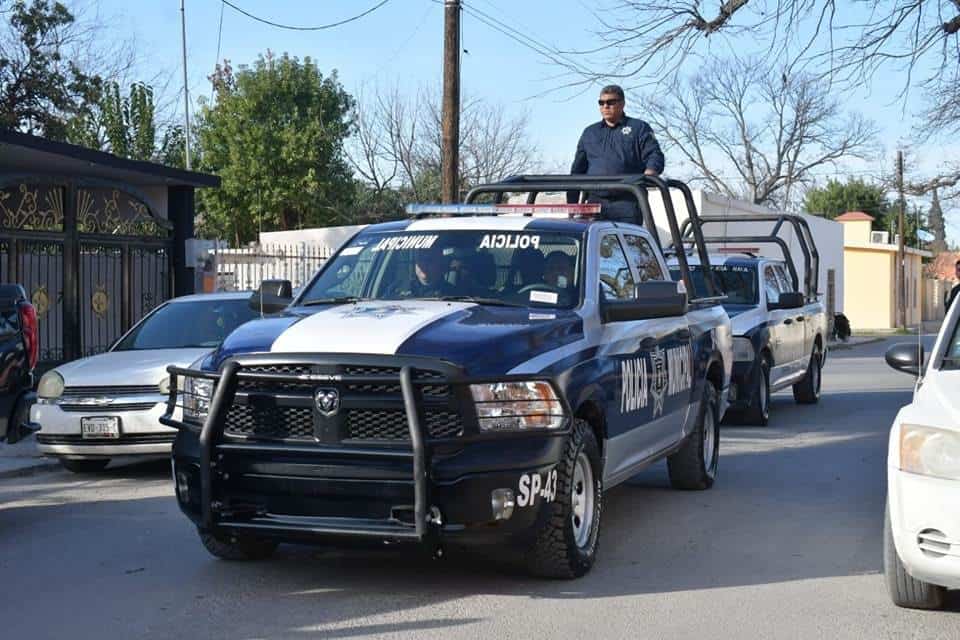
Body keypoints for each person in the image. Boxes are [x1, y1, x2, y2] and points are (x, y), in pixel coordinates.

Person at [567, 84, 665, 222]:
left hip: (628, 201)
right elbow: (577, 170)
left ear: (622, 104)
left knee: (627, 242)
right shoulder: (590, 132)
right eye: (601, 103)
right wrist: (572, 204)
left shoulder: (638, 128)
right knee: (593, 241)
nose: (605, 106)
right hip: (595, 202)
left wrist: (652, 170)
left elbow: (655, 154)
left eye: (611, 102)